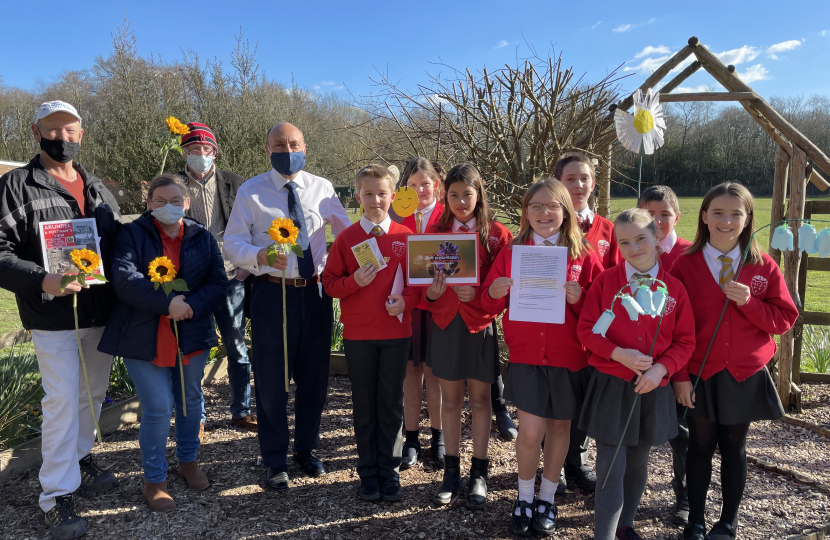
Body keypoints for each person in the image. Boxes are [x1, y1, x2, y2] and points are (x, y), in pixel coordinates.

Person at [0, 101, 121, 540]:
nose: (62, 138)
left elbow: (117, 243)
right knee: (62, 402)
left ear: (81, 134)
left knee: (92, 394)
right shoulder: (16, 185)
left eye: (70, 131)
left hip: (100, 312)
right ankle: (56, 495)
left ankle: (79, 458)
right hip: (53, 317)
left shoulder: (96, 188)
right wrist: (42, 279)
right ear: (36, 131)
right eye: (53, 130)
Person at [223, 122, 352, 491]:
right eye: (279, 144)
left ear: (305, 146)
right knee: (272, 381)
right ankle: (275, 457)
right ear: (268, 150)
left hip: (315, 294)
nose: (288, 149)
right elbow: (232, 242)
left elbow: (346, 234)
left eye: (294, 143)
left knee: (314, 379)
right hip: (270, 294)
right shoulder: (251, 191)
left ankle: (307, 450)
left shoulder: (323, 188)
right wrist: (259, 255)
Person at [670, 183, 798, 540]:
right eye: (719, 213)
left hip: (743, 373)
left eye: (735, 214)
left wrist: (750, 303)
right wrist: (679, 376)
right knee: (698, 445)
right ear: (705, 216)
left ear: (747, 219)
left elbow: (784, 319)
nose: (726, 220)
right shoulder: (685, 266)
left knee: (733, 446)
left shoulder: (762, 266)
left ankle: (728, 522)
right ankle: (695, 519)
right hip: (698, 373)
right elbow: (671, 327)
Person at [481, 179, 603, 536]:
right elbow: (488, 304)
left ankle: (547, 498)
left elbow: (597, 314)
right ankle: (523, 497)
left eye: (552, 206)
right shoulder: (513, 251)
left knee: (559, 429)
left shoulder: (583, 254)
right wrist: (493, 289)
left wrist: (580, 298)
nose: (544, 213)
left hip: (568, 358)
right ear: (526, 212)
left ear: (565, 211)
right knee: (530, 432)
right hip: (528, 356)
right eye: (536, 206)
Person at [98, 173, 226, 511]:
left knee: (189, 399)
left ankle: (188, 461)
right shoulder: (132, 233)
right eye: (159, 201)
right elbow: (124, 279)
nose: (167, 207)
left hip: (191, 330)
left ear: (186, 203)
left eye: (174, 201)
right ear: (149, 202)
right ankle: (154, 479)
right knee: (156, 407)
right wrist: (165, 303)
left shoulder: (203, 236)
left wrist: (190, 306)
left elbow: (217, 283)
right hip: (143, 334)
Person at [577, 208, 695, 540]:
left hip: (652, 386)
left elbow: (685, 341)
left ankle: (625, 524)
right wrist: (618, 354)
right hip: (612, 385)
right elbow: (586, 331)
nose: (634, 248)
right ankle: (604, 534)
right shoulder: (606, 282)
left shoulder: (674, 289)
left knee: (638, 460)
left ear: (658, 236)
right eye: (625, 242)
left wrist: (662, 369)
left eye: (641, 238)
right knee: (610, 466)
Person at [322, 164, 421, 501]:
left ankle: (389, 472)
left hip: (396, 334)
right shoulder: (347, 239)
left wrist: (405, 302)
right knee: (364, 405)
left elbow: (418, 288)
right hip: (359, 336)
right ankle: (368, 473)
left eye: (382, 193)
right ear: (358, 197)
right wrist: (354, 282)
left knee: (391, 404)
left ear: (393, 196)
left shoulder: (406, 238)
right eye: (368, 194)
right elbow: (329, 283)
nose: (375, 199)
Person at [424, 163, 512, 509]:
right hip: (446, 326)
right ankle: (451, 471)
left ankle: (479, 472)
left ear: (480, 194)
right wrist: (432, 294)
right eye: (454, 195)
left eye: (468, 194)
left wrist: (477, 296)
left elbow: (503, 291)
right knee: (450, 401)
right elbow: (421, 292)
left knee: (480, 401)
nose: (461, 202)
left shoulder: (498, 235)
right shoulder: (433, 234)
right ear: (445, 195)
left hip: (479, 326)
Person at [176, 122, 254, 435]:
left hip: (232, 275)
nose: (200, 155)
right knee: (195, 348)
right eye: (194, 150)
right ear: (185, 152)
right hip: (192, 279)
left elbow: (254, 225)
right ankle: (197, 416)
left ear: (215, 152)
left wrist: (246, 265)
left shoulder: (236, 184)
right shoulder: (174, 184)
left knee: (236, 345)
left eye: (206, 150)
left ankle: (242, 410)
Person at [555, 151, 621, 493]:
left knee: (582, 403)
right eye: (570, 179)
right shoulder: (544, 225)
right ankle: (554, 465)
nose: (579, 185)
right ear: (559, 184)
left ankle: (576, 463)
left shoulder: (608, 230)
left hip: (592, 336)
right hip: (554, 332)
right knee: (556, 403)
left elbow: (618, 281)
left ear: (594, 183)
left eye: (584, 178)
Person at [637, 184, 692, 525]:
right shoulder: (629, 249)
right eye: (649, 215)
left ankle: (683, 492)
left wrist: (680, 372)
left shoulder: (690, 254)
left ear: (678, 217)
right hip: (636, 359)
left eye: (664, 216)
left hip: (679, 361)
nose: (657, 223)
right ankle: (624, 491)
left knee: (682, 433)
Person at [399, 157, 446, 469]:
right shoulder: (397, 219)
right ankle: (412, 437)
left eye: (424, 184)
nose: (419, 190)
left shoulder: (447, 218)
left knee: (435, 375)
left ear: (437, 186)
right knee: (410, 374)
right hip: (406, 308)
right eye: (412, 186)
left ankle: (439, 436)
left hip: (438, 307)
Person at [639, 185, 692, 273]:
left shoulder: (690, 252)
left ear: (676, 219)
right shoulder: (631, 250)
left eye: (665, 215)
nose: (657, 221)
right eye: (650, 214)